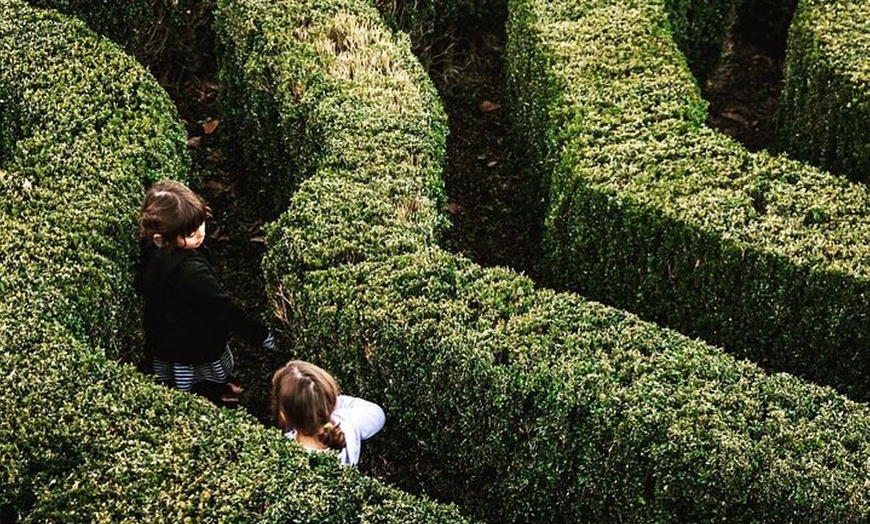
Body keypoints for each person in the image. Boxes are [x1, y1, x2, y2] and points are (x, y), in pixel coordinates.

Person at [137, 180, 277, 407]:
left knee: (175, 370)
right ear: (162, 239)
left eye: (201, 225)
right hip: (194, 338)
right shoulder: (191, 273)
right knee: (197, 376)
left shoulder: (155, 248)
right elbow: (223, 308)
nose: (201, 234)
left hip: (165, 333)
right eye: (191, 233)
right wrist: (261, 335)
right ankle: (205, 396)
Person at [272, 360, 385, 466]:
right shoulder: (345, 424)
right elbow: (377, 414)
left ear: (284, 414)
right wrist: (325, 404)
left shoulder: (281, 453)